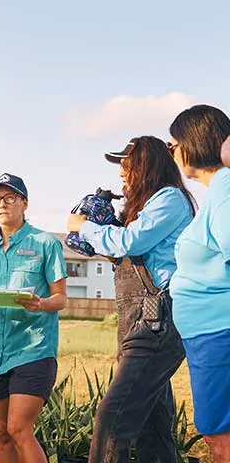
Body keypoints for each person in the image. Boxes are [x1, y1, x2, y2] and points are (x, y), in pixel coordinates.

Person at [67, 136, 195, 463]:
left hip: (156, 323)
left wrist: (85, 228)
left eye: (127, 164)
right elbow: (123, 245)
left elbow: (130, 242)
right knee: (154, 429)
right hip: (137, 323)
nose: (122, 173)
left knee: (112, 419)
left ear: (147, 165)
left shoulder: (170, 199)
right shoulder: (144, 209)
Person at [0, 173, 67, 463]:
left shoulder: (45, 243)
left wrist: (41, 304)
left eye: (10, 198)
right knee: (1, 432)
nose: (2, 204)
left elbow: (60, 298)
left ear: (24, 203)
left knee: (19, 428)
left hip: (32, 350)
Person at [168, 104, 230, 462]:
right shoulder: (217, 193)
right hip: (210, 334)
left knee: (220, 436)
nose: (173, 153)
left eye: (173, 144)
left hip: (218, 334)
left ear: (193, 142)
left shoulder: (224, 190)